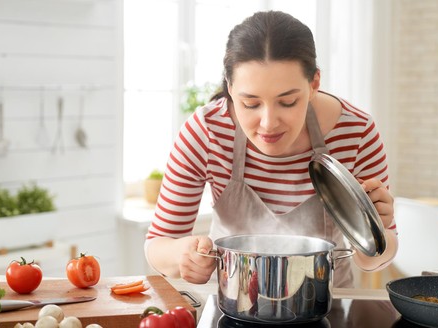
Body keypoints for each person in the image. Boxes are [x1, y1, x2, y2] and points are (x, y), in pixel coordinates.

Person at [144, 10, 398, 288]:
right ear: (230, 87)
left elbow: (373, 260)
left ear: (314, 84)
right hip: (232, 303)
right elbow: (158, 244)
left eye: (287, 102)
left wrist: (377, 230)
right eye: (250, 104)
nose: (268, 124)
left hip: (327, 305)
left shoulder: (355, 132)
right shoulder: (206, 132)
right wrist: (183, 256)